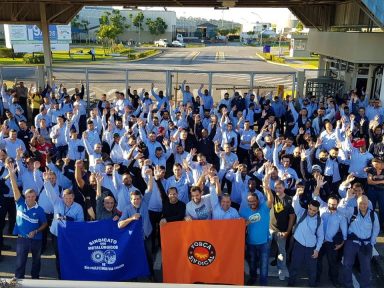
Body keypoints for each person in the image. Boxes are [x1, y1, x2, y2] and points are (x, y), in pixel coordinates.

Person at [7, 161, 47, 279]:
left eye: (33, 196)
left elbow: (44, 224)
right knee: (20, 262)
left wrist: (36, 231)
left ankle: (35, 279)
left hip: (37, 239)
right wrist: (12, 174)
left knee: (36, 261)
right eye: (28, 196)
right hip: (22, 239)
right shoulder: (20, 203)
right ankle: (19, 279)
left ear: (36, 197)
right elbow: (14, 189)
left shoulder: (39, 209)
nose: (30, 198)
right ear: (25, 196)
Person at [44, 172, 84, 279]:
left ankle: (70, 273)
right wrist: (46, 181)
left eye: (70, 198)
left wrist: (66, 219)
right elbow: (50, 192)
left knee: (69, 255)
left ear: (73, 197)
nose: (68, 200)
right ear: (62, 197)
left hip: (70, 236)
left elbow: (80, 222)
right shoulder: (57, 202)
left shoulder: (78, 207)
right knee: (58, 256)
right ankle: (61, 276)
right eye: (66, 198)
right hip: (56, 234)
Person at [240, 164, 273, 286]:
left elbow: (270, 200)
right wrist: (244, 223)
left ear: (258, 200)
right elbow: (238, 226)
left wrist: (267, 188)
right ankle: (253, 278)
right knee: (253, 263)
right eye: (249, 201)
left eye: (253, 201)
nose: (252, 203)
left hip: (264, 242)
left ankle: (263, 283)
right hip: (251, 243)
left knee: (264, 265)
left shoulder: (264, 207)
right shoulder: (243, 211)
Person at [312, 175, 347, 287]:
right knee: (317, 262)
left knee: (333, 264)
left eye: (334, 204)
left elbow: (344, 232)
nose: (332, 206)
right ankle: (316, 279)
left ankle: (334, 280)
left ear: (338, 203)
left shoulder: (341, 216)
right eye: (330, 204)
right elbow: (315, 196)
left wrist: (341, 244)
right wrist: (318, 186)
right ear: (327, 202)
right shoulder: (322, 207)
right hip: (320, 242)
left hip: (332, 243)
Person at [340, 195, 380, 288]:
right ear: (357, 203)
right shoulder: (352, 211)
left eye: (365, 203)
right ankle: (348, 284)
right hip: (351, 243)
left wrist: (372, 242)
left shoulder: (373, 215)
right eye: (361, 203)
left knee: (366, 268)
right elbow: (340, 209)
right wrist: (347, 198)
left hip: (366, 244)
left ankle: (366, 286)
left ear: (368, 204)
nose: (363, 205)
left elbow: (376, 228)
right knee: (347, 265)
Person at [289, 189, 324, 287]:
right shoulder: (301, 212)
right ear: (308, 207)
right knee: (294, 266)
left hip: (311, 248)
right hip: (298, 246)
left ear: (317, 210)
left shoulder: (320, 221)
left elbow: (321, 237)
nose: (311, 212)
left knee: (312, 270)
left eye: (314, 210)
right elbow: (295, 204)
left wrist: (317, 250)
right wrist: (296, 195)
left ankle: (312, 285)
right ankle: (291, 284)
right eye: (310, 209)